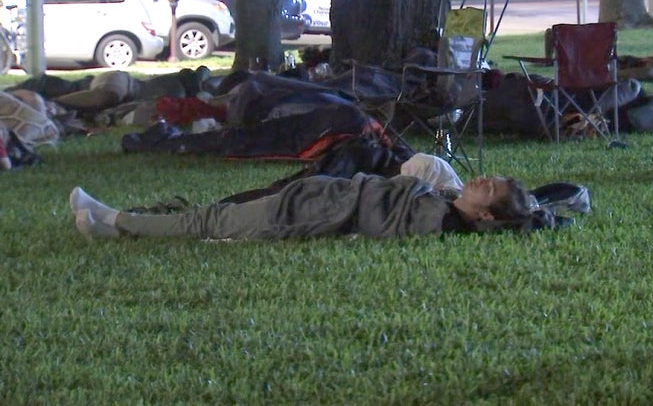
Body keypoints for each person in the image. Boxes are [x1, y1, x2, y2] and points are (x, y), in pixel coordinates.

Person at [68, 168, 533, 241]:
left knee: (208, 220)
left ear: (486, 214)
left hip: (309, 212)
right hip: (319, 196)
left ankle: (115, 220)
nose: (481, 180)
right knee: (216, 214)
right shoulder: (447, 204)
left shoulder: (434, 217)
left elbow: (372, 214)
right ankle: (113, 224)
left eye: (488, 189)